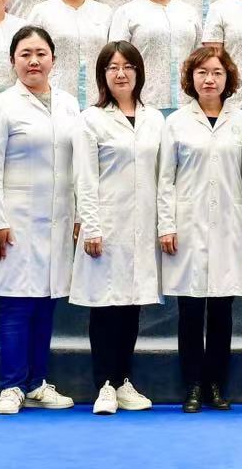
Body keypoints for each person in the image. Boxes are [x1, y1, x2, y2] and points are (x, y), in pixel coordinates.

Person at [0, 26, 82, 415]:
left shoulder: (69, 104)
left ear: (53, 59)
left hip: (58, 219)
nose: (34, 61)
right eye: (25, 54)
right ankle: (11, 386)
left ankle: (37, 383)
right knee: (16, 303)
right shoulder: (2, 105)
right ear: (12, 61)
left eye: (41, 53)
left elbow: (78, 165)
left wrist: (79, 215)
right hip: (16, 220)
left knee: (46, 303)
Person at [72, 42, 166, 415]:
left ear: (139, 72)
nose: (121, 73)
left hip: (142, 226)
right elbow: (85, 178)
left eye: (128, 66)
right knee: (105, 307)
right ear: (102, 75)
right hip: (107, 226)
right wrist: (91, 226)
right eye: (112, 67)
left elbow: (163, 176)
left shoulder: (154, 119)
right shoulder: (91, 119)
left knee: (132, 306)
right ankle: (105, 384)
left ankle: (123, 380)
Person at [159, 46, 242, 412]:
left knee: (223, 311)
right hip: (188, 226)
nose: (209, 79)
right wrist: (166, 225)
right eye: (202, 73)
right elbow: (165, 179)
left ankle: (216, 384)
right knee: (191, 310)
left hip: (229, 225)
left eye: (216, 73)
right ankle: (193, 384)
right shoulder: (176, 123)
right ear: (190, 78)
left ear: (228, 78)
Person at [107, 0, 200, 115]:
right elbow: (115, 61)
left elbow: (199, 57)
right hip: (143, 104)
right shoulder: (126, 13)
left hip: (187, 105)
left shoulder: (189, 12)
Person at [26, 0, 113, 106]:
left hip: (98, 99)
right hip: (53, 99)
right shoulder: (41, 12)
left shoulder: (105, 12)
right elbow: (27, 55)